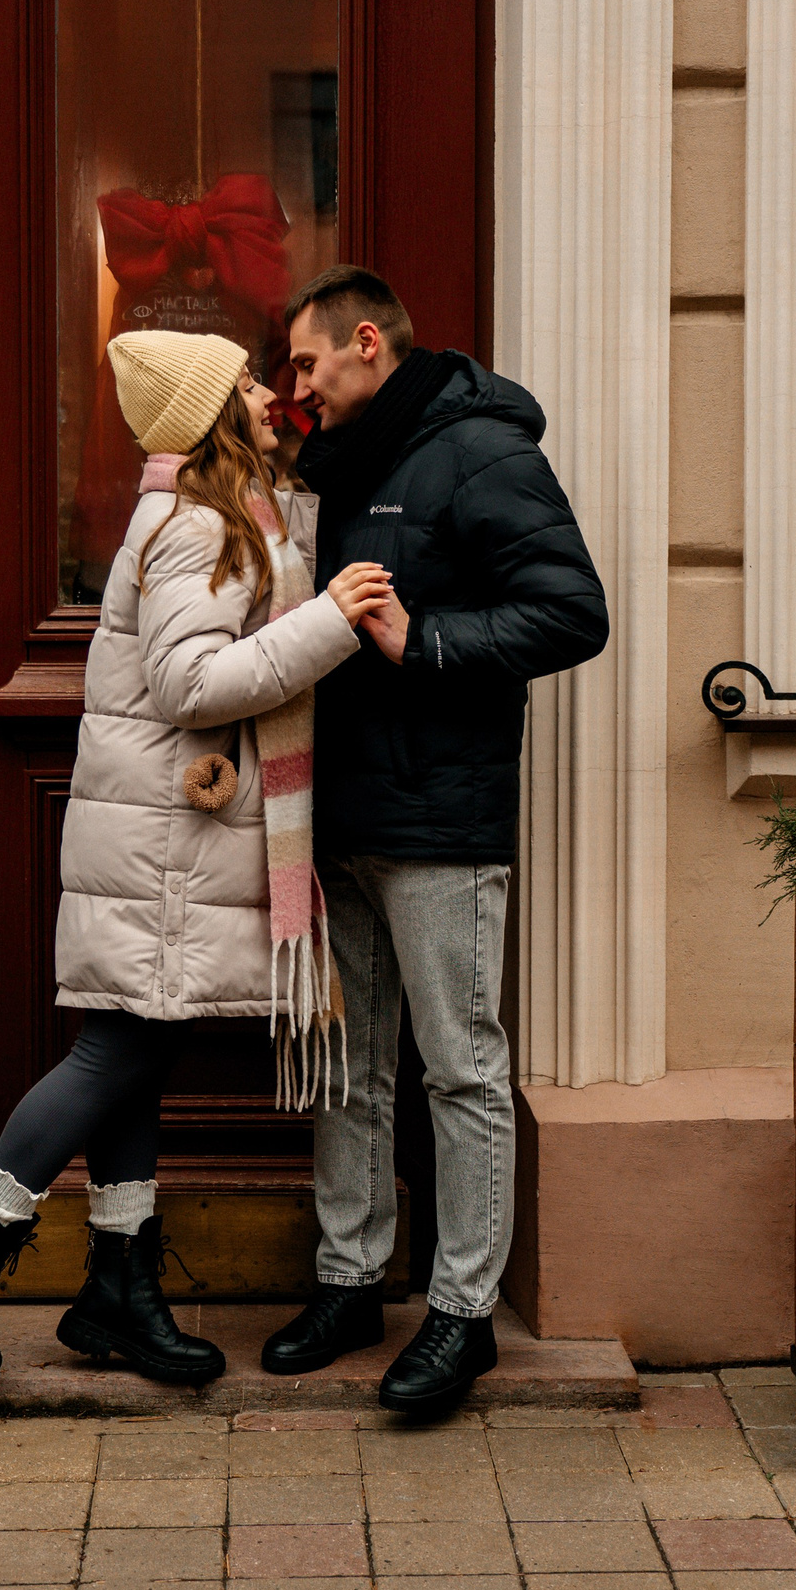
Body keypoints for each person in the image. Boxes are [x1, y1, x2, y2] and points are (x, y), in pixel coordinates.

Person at [0, 329, 396, 1389]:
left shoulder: (225, 514)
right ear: (207, 414)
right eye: (247, 383)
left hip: (165, 837)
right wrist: (331, 624)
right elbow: (192, 687)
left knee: (137, 1054)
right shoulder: (195, 526)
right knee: (116, 1054)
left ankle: (119, 1287)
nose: (267, 394)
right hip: (166, 845)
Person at [261, 265, 609, 1413]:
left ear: (368, 341)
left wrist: (426, 641)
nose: (294, 383)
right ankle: (351, 1279)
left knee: (458, 1067)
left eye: (307, 360)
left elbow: (572, 610)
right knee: (350, 1068)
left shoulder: (479, 449)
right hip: (341, 811)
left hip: (439, 819)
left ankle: (462, 1315)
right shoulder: (339, 460)